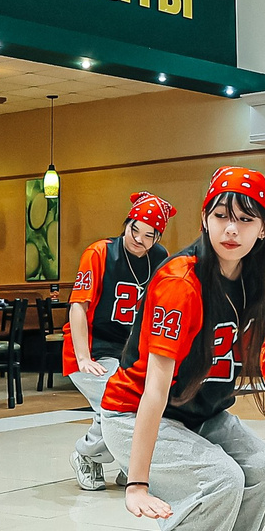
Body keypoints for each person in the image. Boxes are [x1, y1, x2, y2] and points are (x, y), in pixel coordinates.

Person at [100, 167, 265, 531]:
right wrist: (137, 483)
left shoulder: (260, 279)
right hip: (134, 413)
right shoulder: (179, 283)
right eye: (222, 216)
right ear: (205, 218)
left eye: (246, 220)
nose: (232, 229)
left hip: (201, 413)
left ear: (264, 228)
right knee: (221, 479)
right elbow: (154, 389)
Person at [63, 193, 174, 491]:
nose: (139, 239)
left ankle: (129, 460)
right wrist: (84, 358)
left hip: (127, 353)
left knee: (147, 400)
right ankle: (86, 454)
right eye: (134, 229)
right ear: (126, 224)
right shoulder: (99, 253)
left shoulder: (160, 258)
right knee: (118, 402)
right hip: (90, 348)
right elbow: (78, 306)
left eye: (149, 235)